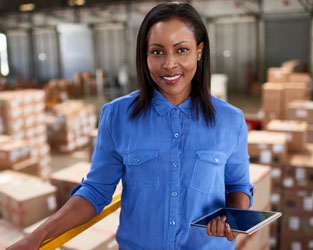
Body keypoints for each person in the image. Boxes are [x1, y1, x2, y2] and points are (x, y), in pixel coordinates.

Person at [7, 2, 253, 250]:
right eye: (157, 52)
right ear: (144, 54)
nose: (169, 64)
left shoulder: (230, 120)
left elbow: (238, 186)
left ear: (199, 51)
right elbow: (95, 191)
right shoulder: (117, 116)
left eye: (182, 50)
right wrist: (34, 239)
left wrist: (231, 217)